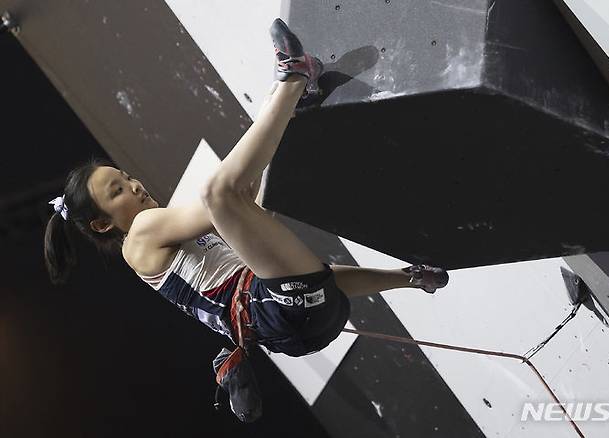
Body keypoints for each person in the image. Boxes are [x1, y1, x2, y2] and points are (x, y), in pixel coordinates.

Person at [44, 18, 448, 420]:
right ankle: (294, 79)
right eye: (117, 191)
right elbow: (229, 195)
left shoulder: (178, 233)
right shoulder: (139, 238)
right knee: (218, 193)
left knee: (240, 205)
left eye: (126, 177)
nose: (133, 186)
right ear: (102, 224)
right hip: (277, 311)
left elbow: (318, 276)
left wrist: (409, 278)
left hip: (307, 316)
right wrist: (281, 97)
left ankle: (293, 87)